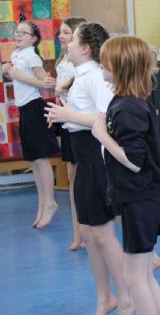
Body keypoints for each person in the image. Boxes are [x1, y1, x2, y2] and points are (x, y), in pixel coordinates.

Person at [44, 22, 133, 315]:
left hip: (97, 158)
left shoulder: (95, 76)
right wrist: (65, 115)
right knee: (89, 233)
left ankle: (126, 296)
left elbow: (107, 118)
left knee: (103, 234)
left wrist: (68, 114)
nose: (66, 43)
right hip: (84, 158)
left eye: (72, 40)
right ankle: (105, 297)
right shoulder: (80, 76)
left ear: (84, 48)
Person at [92, 35, 160, 315]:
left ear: (119, 66)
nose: (100, 65)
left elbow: (135, 162)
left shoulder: (128, 107)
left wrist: (102, 135)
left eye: (104, 61)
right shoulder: (128, 101)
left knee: (134, 278)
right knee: (143, 275)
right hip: (143, 197)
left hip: (141, 198)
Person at [2, 18, 59, 228]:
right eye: (17, 32)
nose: (17, 35)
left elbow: (46, 86)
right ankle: (42, 203)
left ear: (33, 39)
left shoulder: (32, 56)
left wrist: (17, 75)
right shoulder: (16, 55)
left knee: (41, 159)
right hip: (24, 109)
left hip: (35, 108)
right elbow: (14, 77)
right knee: (33, 160)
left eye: (23, 33)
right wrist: (7, 71)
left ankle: (50, 202)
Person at [56, 16, 87, 251]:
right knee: (72, 175)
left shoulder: (83, 65)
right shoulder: (63, 59)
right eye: (61, 32)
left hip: (81, 123)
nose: (61, 36)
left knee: (85, 178)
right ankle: (78, 231)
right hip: (68, 122)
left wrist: (58, 88)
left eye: (67, 32)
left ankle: (88, 228)